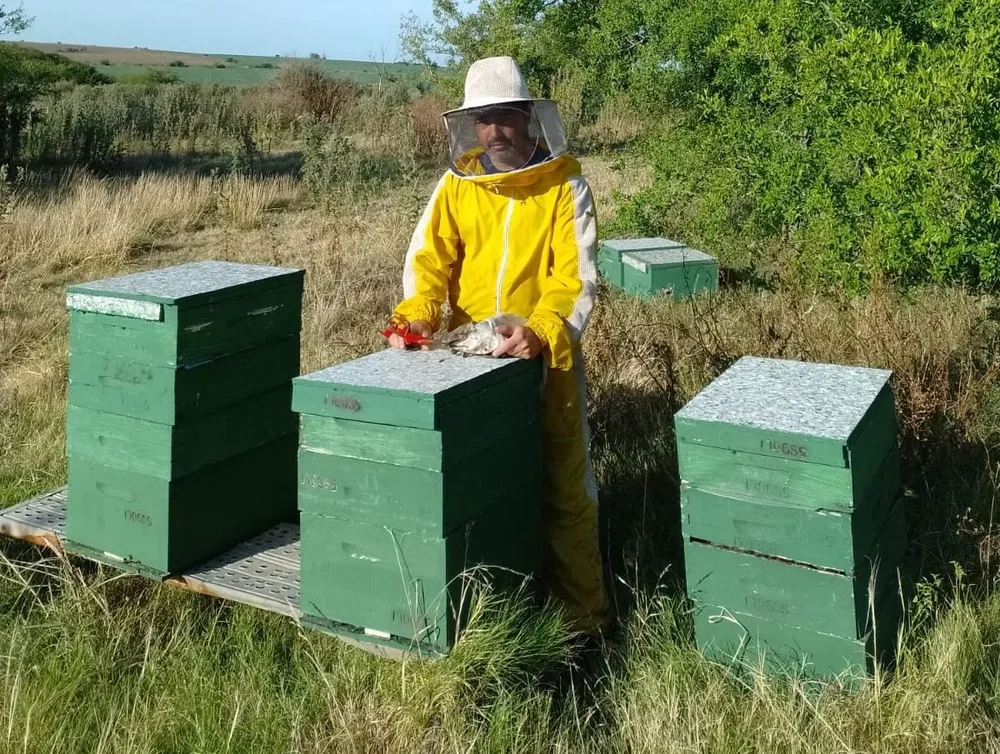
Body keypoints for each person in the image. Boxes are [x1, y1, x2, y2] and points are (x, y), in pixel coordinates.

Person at [386, 56, 609, 636]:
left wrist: (539, 330)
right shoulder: (457, 187)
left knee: (564, 487)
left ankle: (584, 622)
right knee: (477, 484)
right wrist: (414, 321)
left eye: (504, 116)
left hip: (545, 359)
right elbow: (429, 267)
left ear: (530, 119)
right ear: (470, 126)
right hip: (466, 364)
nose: (494, 131)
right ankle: (489, 617)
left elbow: (576, 279)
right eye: (483, 120)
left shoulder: (565, 187)